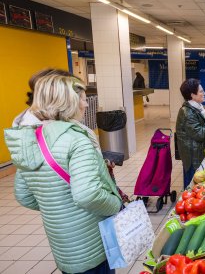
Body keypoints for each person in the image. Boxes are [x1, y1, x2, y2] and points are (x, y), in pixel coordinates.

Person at [4, 74, 122, 274]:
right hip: (91, 239)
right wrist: (116, 205)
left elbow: (23, 195)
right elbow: (88, 195)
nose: (86, 104)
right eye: (83, 99)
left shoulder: (30, 139)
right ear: (68, 102)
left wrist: (57, 207)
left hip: (62, 244)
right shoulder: (76, 139)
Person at [176, 79, 205, 189]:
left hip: (199, 152)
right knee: (192, 186)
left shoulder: (197, 107)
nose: (204, 93)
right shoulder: (187, 113)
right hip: (193, 157)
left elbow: (200, 126)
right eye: (201, 91)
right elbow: (199, 134)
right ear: (192, 95)